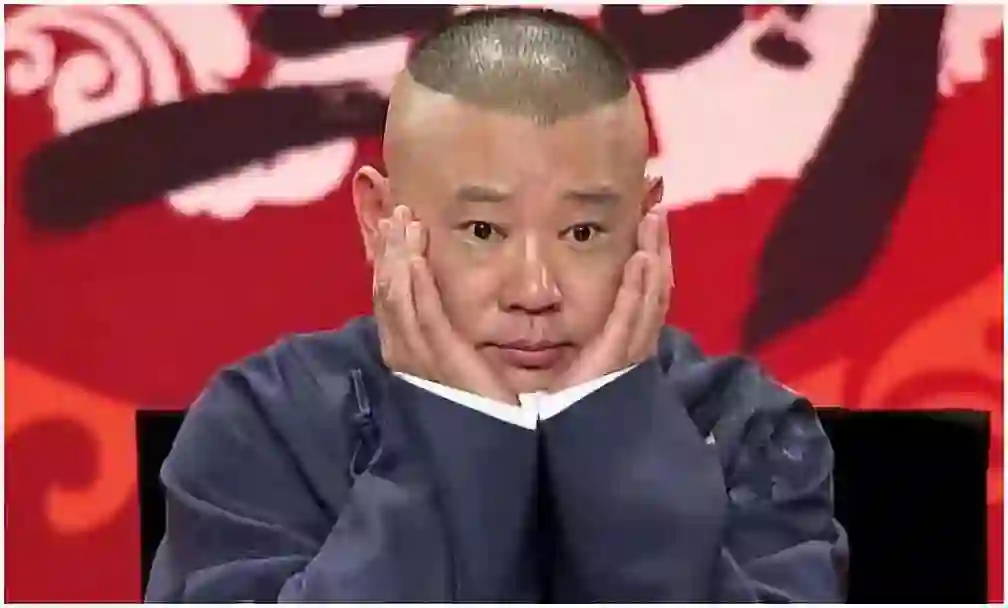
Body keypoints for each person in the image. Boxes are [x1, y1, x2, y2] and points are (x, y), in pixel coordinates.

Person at [145, 7, 848, 602]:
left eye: (582, 232)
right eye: (482, 231)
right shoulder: (264, 424)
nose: (535, 291)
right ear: (380, 219)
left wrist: (614, 432)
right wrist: (456, 429)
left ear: (645, 222)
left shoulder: (747, 430)